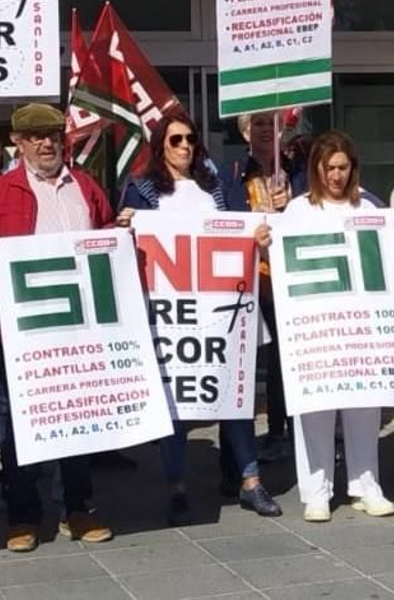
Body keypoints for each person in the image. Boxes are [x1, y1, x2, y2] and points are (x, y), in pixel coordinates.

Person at [0, 103, 119, 553]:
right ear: (17, 143)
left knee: (77, 415)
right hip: (17, 331)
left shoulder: (85, 186)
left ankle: (77, 506)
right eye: (35, 137)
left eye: (53, 135)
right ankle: (23, 514)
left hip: (77, 329)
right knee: (14, 421)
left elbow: (107, 233)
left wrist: (121, 232)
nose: (46, 143)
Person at [119, 111, 281, 525]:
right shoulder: (141, 190)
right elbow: (124, 246)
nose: (185, 146)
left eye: (190, 139)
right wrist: (125, 227)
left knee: (235, 394)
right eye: (176, 140)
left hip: (221, 310)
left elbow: (244, 229)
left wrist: (259, 235)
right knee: (174, 401)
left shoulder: (217, 186)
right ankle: (176, 486)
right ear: (160, 146)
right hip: (170, 315)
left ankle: (250, 480)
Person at [282, 130, 394, 521]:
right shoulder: (299, 210)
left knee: (364, 408)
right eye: (329, 168)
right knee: (315, 409)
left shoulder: (371, 205)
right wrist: (264, 240)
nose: (336, 176)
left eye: (343, 168)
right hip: (316, 328)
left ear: (353, 168)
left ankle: (367, 485)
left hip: (361, 328)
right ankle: (317, 491)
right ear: (316, 168)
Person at [221, 111, 302, 463]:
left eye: (272, 123)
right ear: (244, 133)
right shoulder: (232, 173)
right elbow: (223, 218)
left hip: (291, 278)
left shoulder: (298, 171)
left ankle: (288, 430)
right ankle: (244, 447)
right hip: (250, 279)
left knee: (288, 358)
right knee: (245, 357)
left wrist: (293, 204)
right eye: (258, 124)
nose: (267, 130)